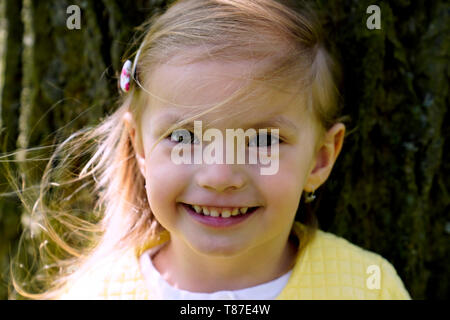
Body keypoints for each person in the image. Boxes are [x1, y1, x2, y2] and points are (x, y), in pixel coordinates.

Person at [11, 0, 410, 300]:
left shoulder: (365, 286)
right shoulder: (95, 294)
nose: (220, 177)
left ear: (321, 158)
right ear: (140, 147)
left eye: (263, 142)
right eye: (185, 138)